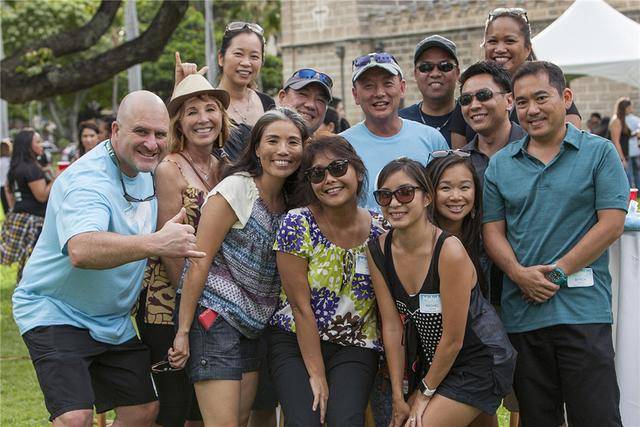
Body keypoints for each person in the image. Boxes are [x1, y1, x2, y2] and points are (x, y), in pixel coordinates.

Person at [11, 91, 204, 426]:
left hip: (110, 321)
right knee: (75, 417)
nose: (151, 143)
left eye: (160, 134)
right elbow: (81, 249)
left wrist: (182, 87)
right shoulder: (87, 181)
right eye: (140, 132)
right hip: (56, 311)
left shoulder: (149, 167)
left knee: (142, 411)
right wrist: (156, 242)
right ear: (115, 131)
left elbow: (199, 126)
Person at [483, 61, 628, 426]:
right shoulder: (501, 165)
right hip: (524, 315)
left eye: (541, 98)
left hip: (583, 311)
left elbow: (611, 225)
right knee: (538, 419)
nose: (531, 110)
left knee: (597, 417)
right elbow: (492, 232)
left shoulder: (599, 153)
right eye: (521, 102)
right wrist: (519, 274)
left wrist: (558, 273)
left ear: (565, 97)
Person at [169, 108, 307, 427]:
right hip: (214, 317)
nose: (283, 150)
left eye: (293, 142)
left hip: (255, 324)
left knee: (241, 420)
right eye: (273, 140)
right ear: (257, 148)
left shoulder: (293, 202)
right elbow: (198, 261)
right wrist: (183, 331)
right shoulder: (236, 190)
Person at [367, 158, 515, 427]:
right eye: (384, 196)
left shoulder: (449, 251)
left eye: (405, 192)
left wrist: (424, 394)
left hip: (478, 359)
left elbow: (453, 339)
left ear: (427, 198)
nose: (394, 203)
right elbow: (392, 328)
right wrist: (400, 396)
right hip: (435, 363)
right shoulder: (378, 249)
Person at [269, 135, 384, 426]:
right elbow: (299, 306)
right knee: (305, 419)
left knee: (345, 419)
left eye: (338, 168)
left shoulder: (382, 228)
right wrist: (316, 374)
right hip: (296, 341)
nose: (329, 179)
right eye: (317, 174)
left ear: (357, 171)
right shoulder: (297, 223)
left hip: (354, 343)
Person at [136, 74, 231, 427]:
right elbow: (169, 247)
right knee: (173, 406)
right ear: (180, 121)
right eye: (192, 112)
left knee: (201, 406)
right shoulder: (169, 168)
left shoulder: (223, 166)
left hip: (211, 299)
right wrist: (190, 302)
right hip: (168, 305)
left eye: (211, 109)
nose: (203, 118)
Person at [450, 7, 582, 148]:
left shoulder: (549, 91)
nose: (500, 49)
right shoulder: (470, 98)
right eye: (493, 41)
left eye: (510, 41)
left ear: (527, 48)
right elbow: (462, 159)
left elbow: (570, 149)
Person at [341, 52, 448, 210]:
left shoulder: (431, 139)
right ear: (355, 95)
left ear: (402, 88)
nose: (379, 93)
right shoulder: (342, 146)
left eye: (388, 84)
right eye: (368, 86)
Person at [399, 35, 473, 147]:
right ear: (415, 74)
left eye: (445, 66)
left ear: (457, 72)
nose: (435, 74)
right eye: (425, 67)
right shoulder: (400, 122)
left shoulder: (472, 117)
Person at [0, 129, 54, 281]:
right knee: (35, 259)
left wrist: (14, 208)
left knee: (28, 259)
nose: (41, 145)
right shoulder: (31, 168)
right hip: (33, 221)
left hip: (19, 216)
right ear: (27, 146)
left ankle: (24, 286)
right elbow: (42, 195)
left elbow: (7, 189)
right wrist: (57, 178)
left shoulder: (16, 167)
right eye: (37, 141)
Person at [609, 97, 633, 183]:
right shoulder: (616, 121)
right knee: (625, 183)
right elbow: (616, 141)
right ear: (624, 108)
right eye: (630, 107)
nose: (631, 109)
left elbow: (624, 136)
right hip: (620, 157)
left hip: (625, 155)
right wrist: (622, 160)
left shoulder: (622, 120)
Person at [625, 105, 640, 187]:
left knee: (629, 172)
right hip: (636, 149)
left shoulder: (623, 120)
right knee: (637, 172)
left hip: (628, 150)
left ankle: (630, 190)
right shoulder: (637, 120)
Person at [0, 138, 11, 214]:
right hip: (8, 186)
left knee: (6, 210)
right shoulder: (10, 161)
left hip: (1, 186)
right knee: (10, 208)